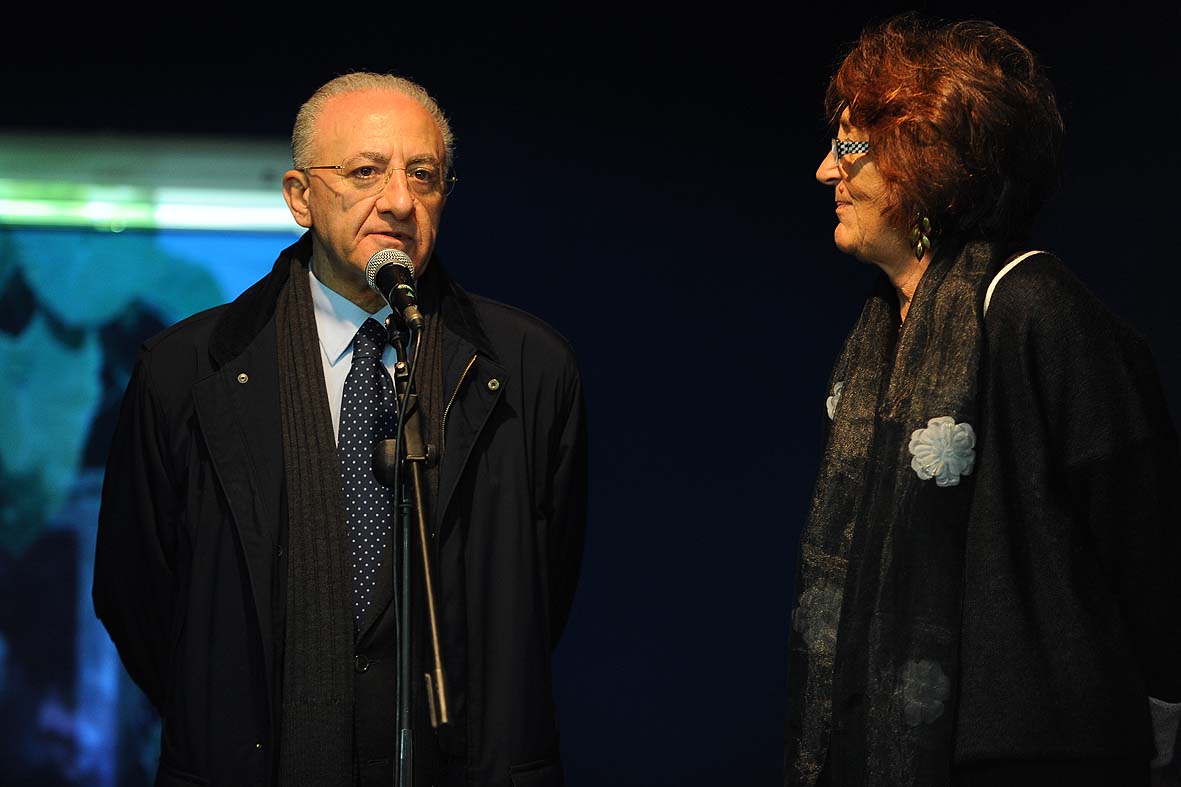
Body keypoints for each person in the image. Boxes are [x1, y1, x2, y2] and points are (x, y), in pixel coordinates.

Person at [93, 72, 587, 787]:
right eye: (364, 172)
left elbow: (544, 589)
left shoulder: (525, 367)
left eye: (424, 175)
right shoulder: (186, 369)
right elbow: (136, 594)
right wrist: (226, 716)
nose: (398, 200)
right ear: (299, 196)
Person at [784, 15, 1181, 787]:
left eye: (852, 145)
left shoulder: (1036, 309)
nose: (825, 172)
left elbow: (1147, 537)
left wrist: (1161, 710)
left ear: (934, 159)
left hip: (1026, 757)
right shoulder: (881, 329)